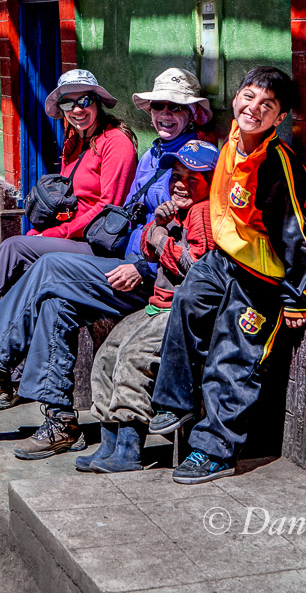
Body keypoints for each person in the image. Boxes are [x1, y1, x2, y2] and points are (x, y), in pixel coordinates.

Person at [0, 69, 217, 460]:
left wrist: (143, 267)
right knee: (55, 303)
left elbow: (194, 246)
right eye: (158, 107)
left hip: (150, 279)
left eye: (175, 107)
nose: (164, 114)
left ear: (194, 114)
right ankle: (60, 423)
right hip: (121, 260)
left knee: (47, 269)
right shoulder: (155, 153)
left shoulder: (197, 160)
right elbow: (130, 215)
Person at [149, 66, 306, 484]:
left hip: (260, 277)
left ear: (279, 119)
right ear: (236, 98)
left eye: (268, 105)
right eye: (248, 96)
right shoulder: (229, 145)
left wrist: (299, 295)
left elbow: (295, 231)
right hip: (222, 260)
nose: (254, 108)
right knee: (186, 304)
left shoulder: (278, 165)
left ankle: (215, 451)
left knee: (233, 352)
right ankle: (174, 401)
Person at [0, 69, 138, 362]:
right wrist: (45, 231)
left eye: (85, 100)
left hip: (98, 245)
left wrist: (53, 235)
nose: (78, 109)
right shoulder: (75, 142)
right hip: (73, 236)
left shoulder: (115, 142)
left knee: (14, 247)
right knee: (20, 257)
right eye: (69, 104)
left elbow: (107, 208)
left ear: (97, 102)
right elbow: (70, 204)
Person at [81, 139, 219, 474]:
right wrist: (157, 226)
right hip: (156, 305)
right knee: (108, 353)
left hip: (180, 311)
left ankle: (129, 446)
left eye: (194, 178)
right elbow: (147, 248)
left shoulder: (204, 213)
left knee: (134, 358)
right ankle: (109, 441)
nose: (181, 183)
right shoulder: (177, 212)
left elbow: (196, 268)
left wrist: (160, 238)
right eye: (177, 174)